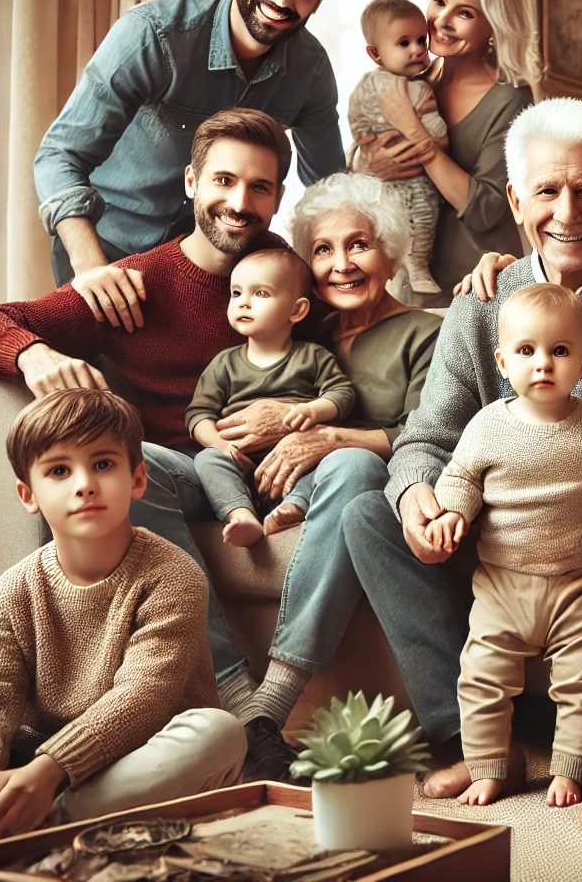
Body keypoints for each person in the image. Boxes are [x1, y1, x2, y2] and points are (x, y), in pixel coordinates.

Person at [347, 97, 582, 863]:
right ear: (517, 202)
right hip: (496, 545)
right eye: (549, 192)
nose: (569, 211)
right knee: (368, 515)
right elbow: (427, 439)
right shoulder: (481, 302)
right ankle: (475, 742)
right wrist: (419, 496)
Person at [0, 108, 299, 718]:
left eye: (259, 187)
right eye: (224, 180)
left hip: (286, 476)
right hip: (184, 472)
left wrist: (486, 274)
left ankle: (282, 691)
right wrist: (31, 356)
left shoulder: (292, 274)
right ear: (191, 182)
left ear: (276, 200)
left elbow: (382, 314)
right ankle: (233, 695)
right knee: (135, 470)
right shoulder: (136, 282)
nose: (240, 201)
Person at [0, 390, 244, 855]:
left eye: (103, 464)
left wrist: (47, 776)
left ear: (137, 478)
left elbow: (144, 696)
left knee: (219, 733)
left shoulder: (173, 574)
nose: (83, 484)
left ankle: (42, 826)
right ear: (29, 495)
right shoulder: (14, 588)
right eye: (59, 471)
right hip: (38, 757)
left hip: (137, 759)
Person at [223, 174, 444, 783]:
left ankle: (271, 702)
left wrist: (331, 439)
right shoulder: (306, 332)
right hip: (285, 485)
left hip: (374, 484)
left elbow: (428, 433)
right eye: (323, 250)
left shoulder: (428, 332)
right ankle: (224, 698)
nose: (341, 265)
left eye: (359, 245)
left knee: (349, 463)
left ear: (391, 252)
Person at [34, 0, 347, 305]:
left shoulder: (312, 70)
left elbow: (330, 188)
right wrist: (91, 266)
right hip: (110, 251)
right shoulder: (152, 34)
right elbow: (59, 155)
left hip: (217, 264)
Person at [428, 284, 582, 808]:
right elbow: (462, 477)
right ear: (502, 359)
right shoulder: (487, 425)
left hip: (581, 583)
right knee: (481, 677)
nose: (543, 364)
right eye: (527, 351)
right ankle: (489, 766)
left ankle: (571, 769)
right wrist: (450, 514)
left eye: (560, 351)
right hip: (502, 584)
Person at [354, 0, 538, 309]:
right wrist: (368, 166)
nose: (441, 20)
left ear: (493, 27)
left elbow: (485, 208)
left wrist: (416, 133)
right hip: (407, 282)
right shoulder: (408, 80)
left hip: (478, 287)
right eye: (439, 2)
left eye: (465, 13)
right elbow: (366, 160)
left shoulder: (512, 98)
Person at [188, 248, 356, 547]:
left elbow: (342, 393)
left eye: (260, 294)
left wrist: (315, 409)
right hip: (240, 462)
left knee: (328, 461)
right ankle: (242, 515)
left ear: (297, 310)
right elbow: (198, 415)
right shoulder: (224, 364)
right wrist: (218, 444)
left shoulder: (311, 356)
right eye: (236, 293)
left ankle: (294, 506)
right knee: (206, 459)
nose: (244, 303)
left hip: (297, 459)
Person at [348, 0, 450, 300]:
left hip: (385, 184)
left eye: (421, 39)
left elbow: (356, 123)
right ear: (376, 53)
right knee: (421, 217)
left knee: (390, 229)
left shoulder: (363, 87)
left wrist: (366, 142)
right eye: (404, 43)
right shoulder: (418, 89)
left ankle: (411, 266)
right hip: (402, 181)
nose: (418, 49)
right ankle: (416, 265)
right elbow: (436, 131)